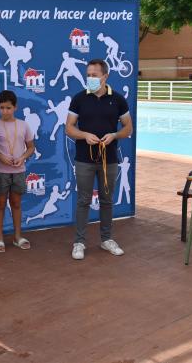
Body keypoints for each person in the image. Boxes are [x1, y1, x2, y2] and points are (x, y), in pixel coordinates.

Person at [65, 59, 133, 260]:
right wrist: (84, 135)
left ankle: (106, 239)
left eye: (94, 75)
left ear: (105, 76)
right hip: (84, 159)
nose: (90, 78)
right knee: (83, 200)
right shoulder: (79, 99)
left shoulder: (118, 100)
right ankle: (79, 242)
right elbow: (69, 127)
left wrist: (114, 135)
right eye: (88, 75)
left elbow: (128, 128)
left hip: (109, 159)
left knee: (106, 200)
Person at [0, 90, 35, 253]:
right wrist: (1, 157)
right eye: (1, 108)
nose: (5, 111)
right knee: (0, 204)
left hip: (19, 171)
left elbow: (31, 147)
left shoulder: (23, 125)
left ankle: (17, 236)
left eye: (8, 108)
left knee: (16, 203)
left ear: (15, 107)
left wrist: (22, 157)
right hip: (0, 171)